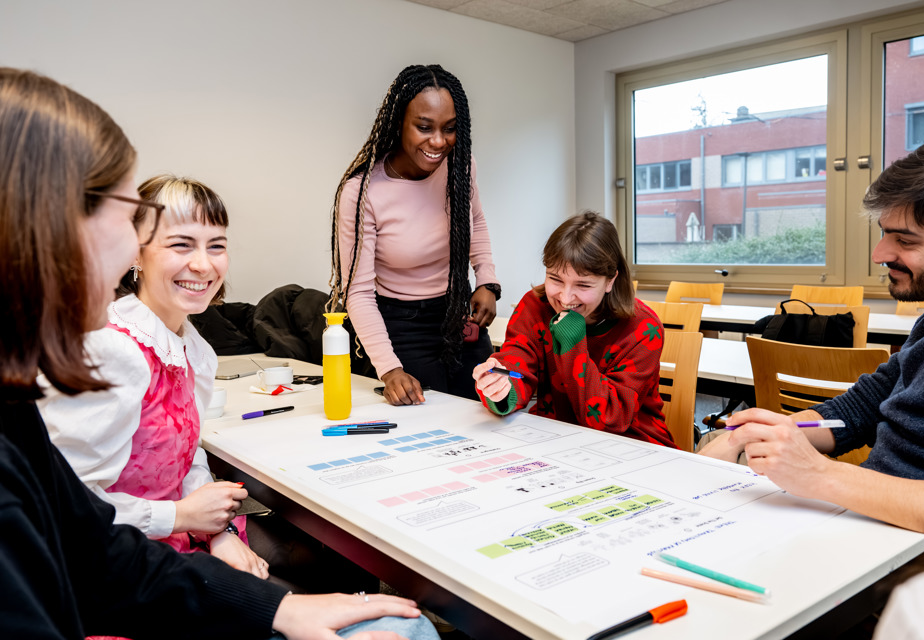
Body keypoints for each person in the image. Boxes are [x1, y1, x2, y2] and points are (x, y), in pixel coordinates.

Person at [0, 66, 438, 640]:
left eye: (216, 246)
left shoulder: (185, 354)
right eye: (126, 217)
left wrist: (261, 587)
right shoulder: (110, 354)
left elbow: (99, 541)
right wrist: (188, 523)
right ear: (43, 226)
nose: (132, 240)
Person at [699, 132, 924, 542]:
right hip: (875, 526)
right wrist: (767, 433)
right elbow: (861, 407)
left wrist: (820, 474)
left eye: (905, 240)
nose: (879, 254)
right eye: (884, 233)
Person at [38, 175, 269, 577]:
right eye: (181, 244)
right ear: (135, 254)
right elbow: (60, 503)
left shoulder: (194, 350)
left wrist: (218, 530)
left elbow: (186, 456)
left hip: (173, 544)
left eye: (216, 246)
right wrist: (180, 516)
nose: (204, 264)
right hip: (108, 566)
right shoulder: (111, 350)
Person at [329, 64, 501, 406]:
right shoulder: (362, 192)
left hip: (457, 312)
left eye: (449, 128)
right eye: (424, 127)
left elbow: (475, 220)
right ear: (399, 123)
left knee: (485, 409)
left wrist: (487, 281)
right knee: (430, 417)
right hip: (401, 326)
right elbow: (358, 293)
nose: (438, 141)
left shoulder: (460, 166)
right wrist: (390, 369)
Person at [472, 212, 675, 446]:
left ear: (610, 281)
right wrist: (500, 387)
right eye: (555, 279)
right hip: (557, 439)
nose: (566, 298)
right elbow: (516, 364)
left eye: (583, 285)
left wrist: (571, 341)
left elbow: (610, 418)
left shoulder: (643, 328)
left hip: (633, 444)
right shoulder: (534, 306)